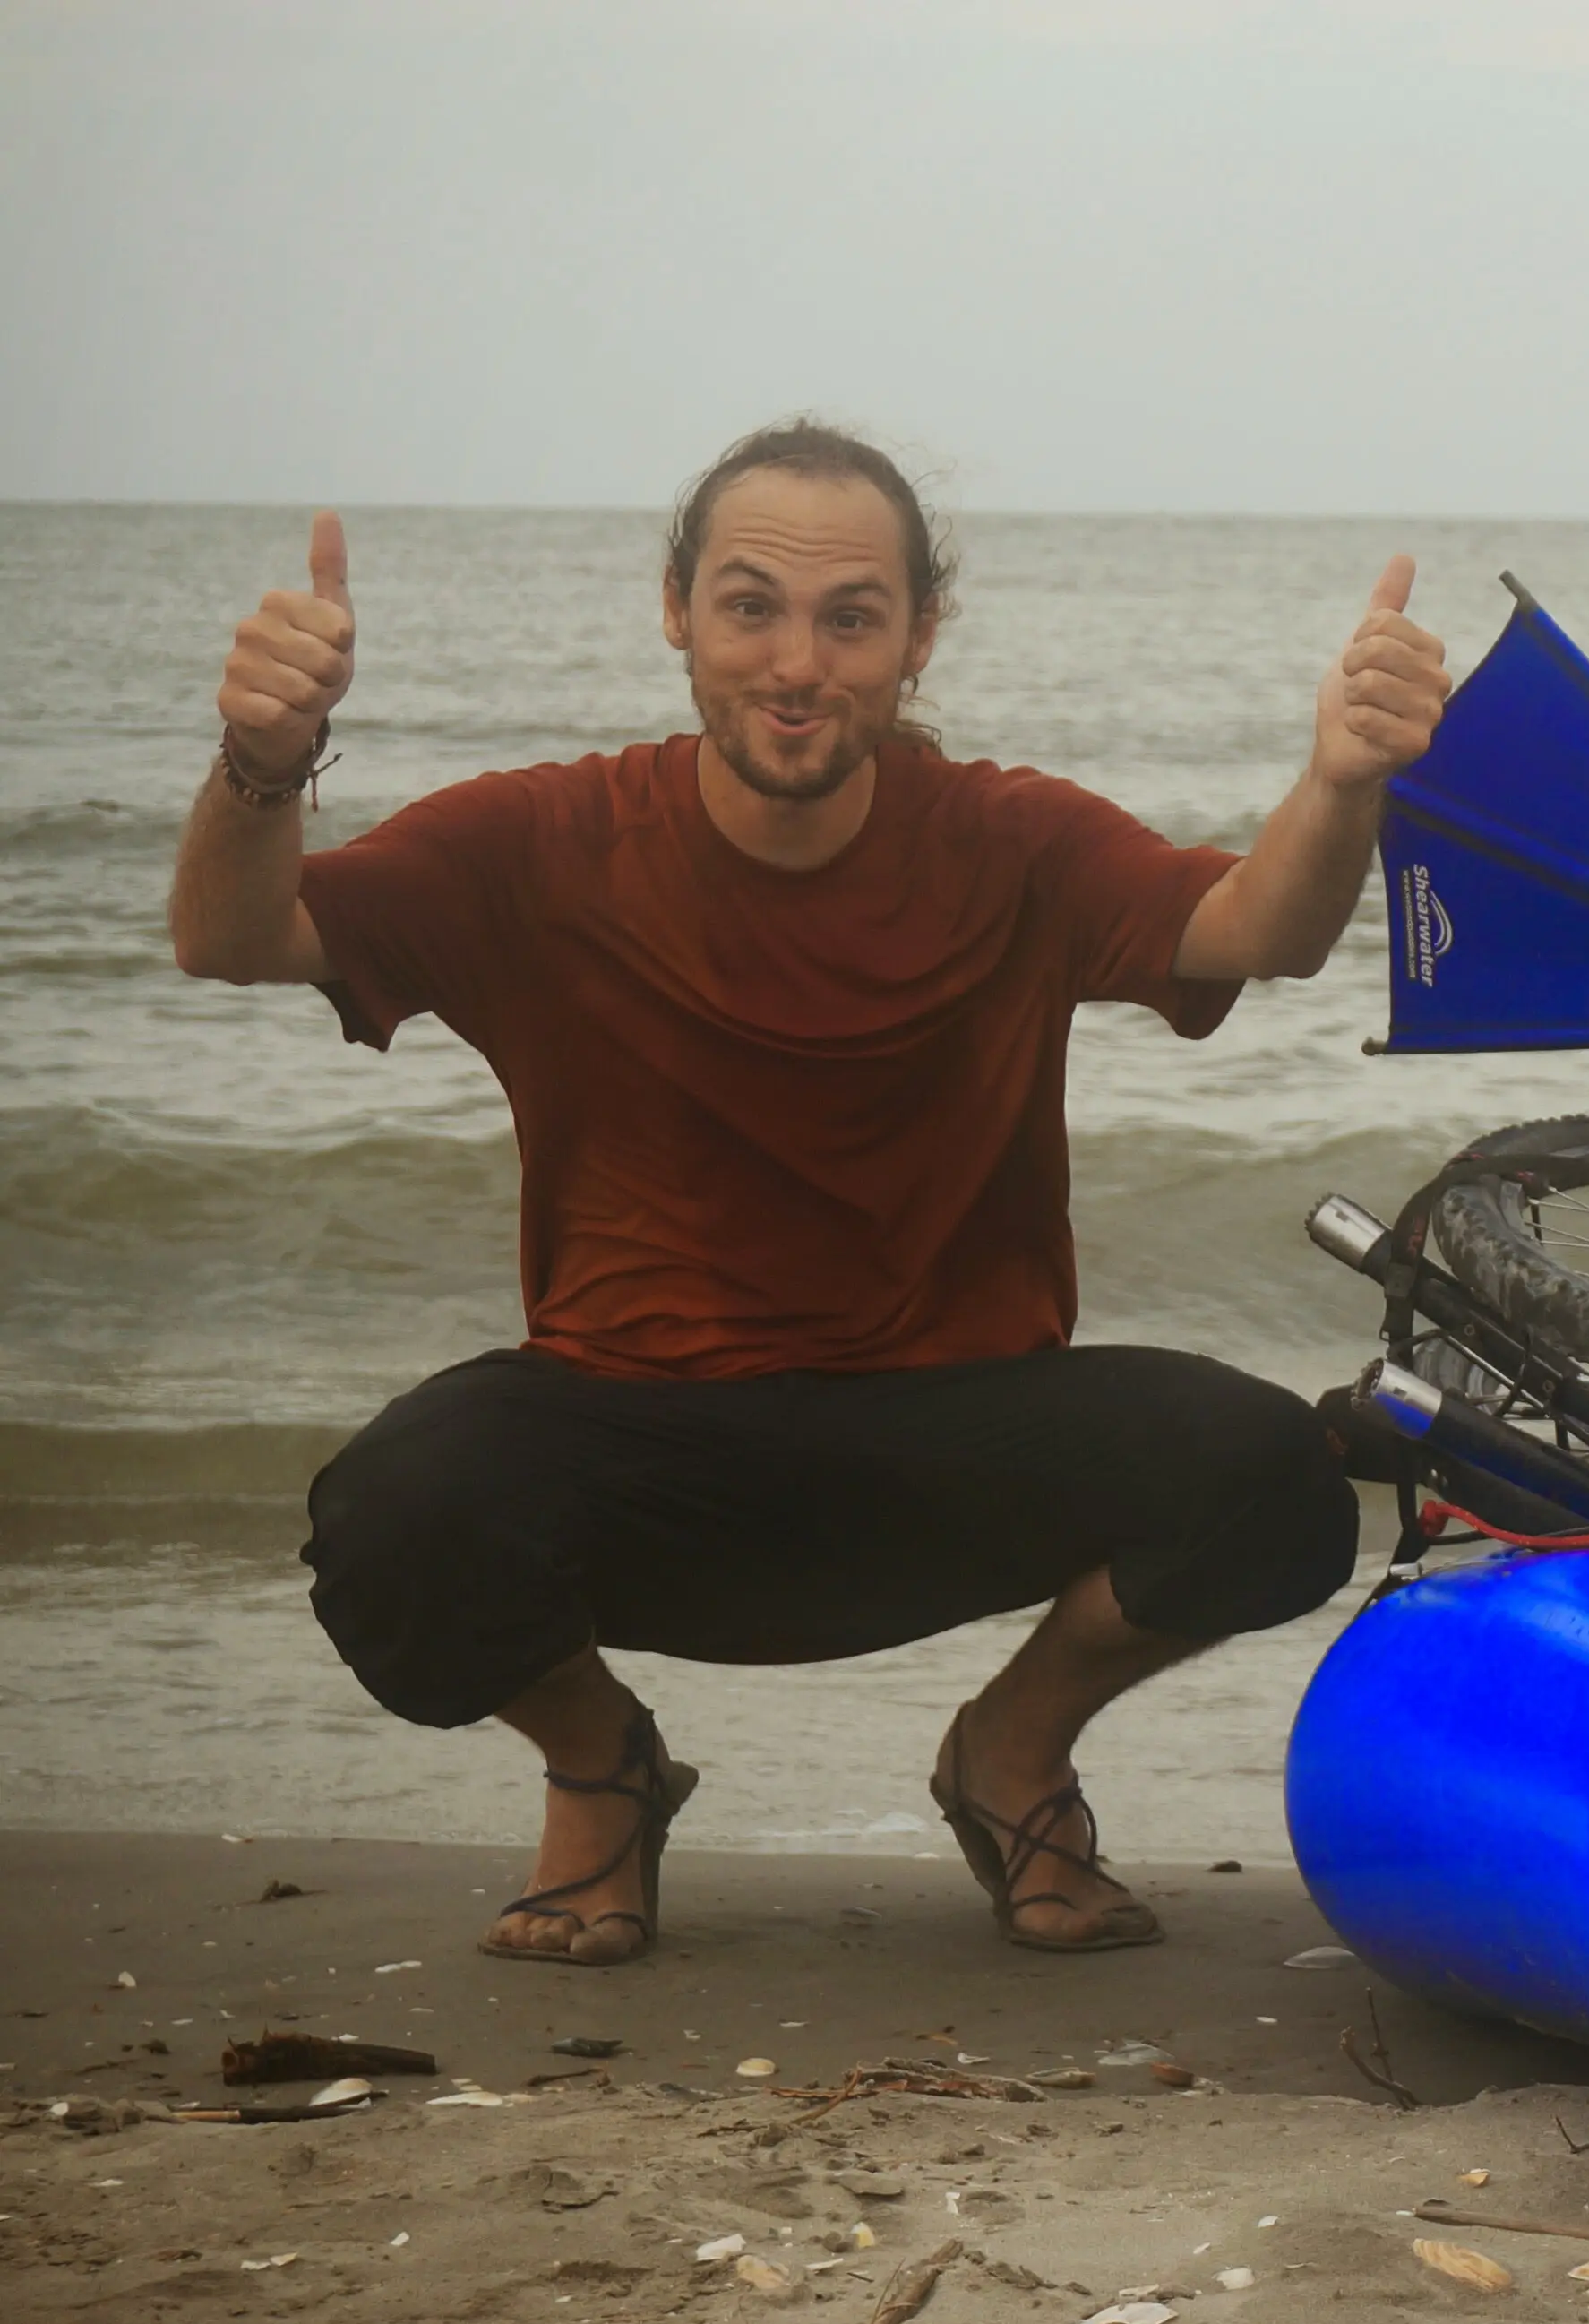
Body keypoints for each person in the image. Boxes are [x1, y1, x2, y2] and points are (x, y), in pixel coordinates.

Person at [169, 419, 1451, 1965]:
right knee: (390, 1517)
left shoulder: (1006, 837)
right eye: (751, 606)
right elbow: (237, 939)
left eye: (851, 618)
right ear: (677, 612)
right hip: (641, 1435)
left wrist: (1344, 781)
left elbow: (1259, 929)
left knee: (1275, 1478)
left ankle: (1012, 1750)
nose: (799, 661)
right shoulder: (544, 839)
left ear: (919, 636)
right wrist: (263, 759)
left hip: (955, 1436)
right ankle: (602, 1769)